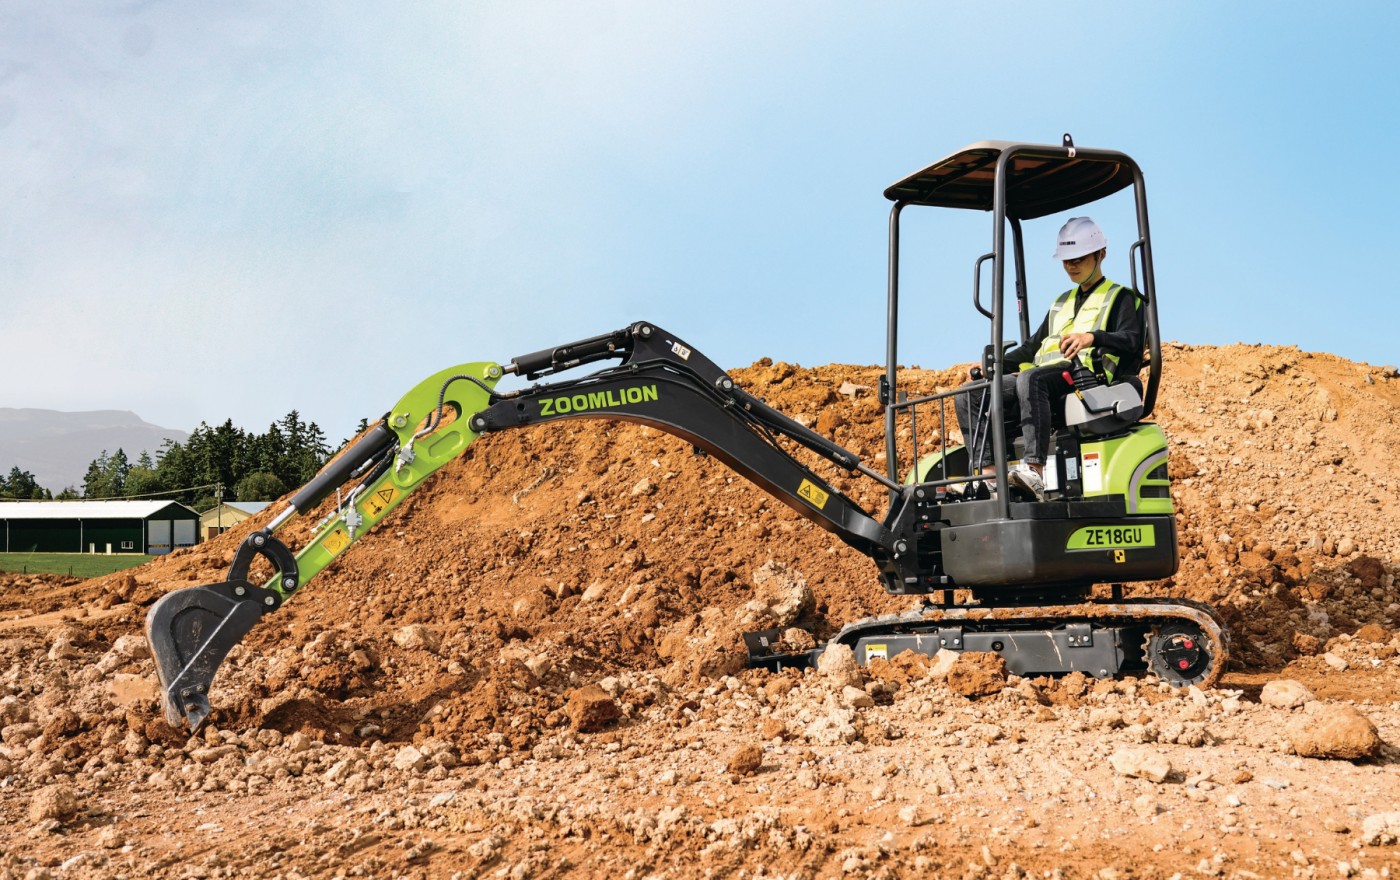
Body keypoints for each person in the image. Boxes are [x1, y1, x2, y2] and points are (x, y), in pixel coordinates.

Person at [952, 216, 1144, 500]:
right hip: (1046, 378)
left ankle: (1034, 471)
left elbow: (1132, 340)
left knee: (1030, 379)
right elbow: (1032, 348)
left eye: (1079, 258)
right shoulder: (1061, 303)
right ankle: (989, 478)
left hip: (1086, 380)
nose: (1071, 266)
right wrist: (995, 366)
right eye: (1066, 260)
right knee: (971, 394)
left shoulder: (1121, 297)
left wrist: (1092, 337)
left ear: (1101, 254)